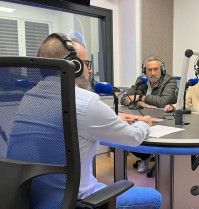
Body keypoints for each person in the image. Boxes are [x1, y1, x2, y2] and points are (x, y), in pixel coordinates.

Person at [8, 33, 162, 209]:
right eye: (87, 64)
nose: (89, 70)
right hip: (75, 201)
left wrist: (112, 117)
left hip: (33, 199)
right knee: (154, 196)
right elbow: (133, 137)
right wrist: (144, 122)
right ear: (74, 65)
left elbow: (67, 119)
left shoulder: (28, 98)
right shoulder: (84, 101)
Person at [121, 56, 177, 173]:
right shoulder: (141, 80)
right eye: (149, 70)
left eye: (156, 69)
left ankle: (158, 159)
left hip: (164, 120)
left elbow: (163, 101)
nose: (153, 73)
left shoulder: (169, 80)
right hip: (143, 117)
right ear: (144, 71)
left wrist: (140, 97)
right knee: (126, 132)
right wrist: (142, 103)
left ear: (161, 70)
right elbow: (124, 99)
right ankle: (145, 157)